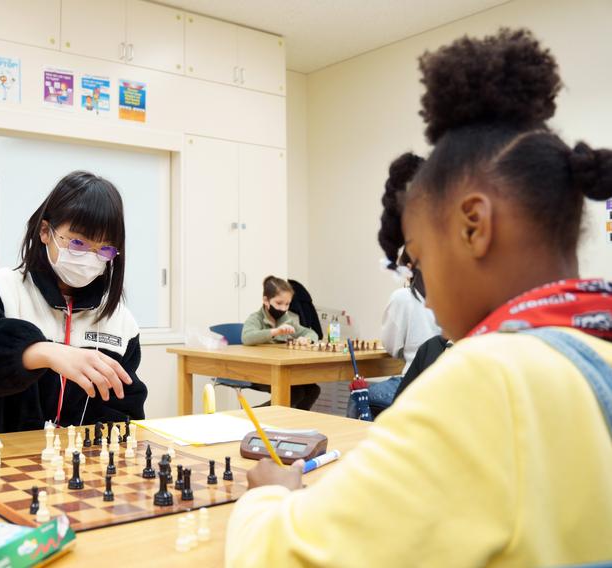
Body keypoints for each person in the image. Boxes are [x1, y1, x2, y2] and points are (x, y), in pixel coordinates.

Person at [226, 29, 612, 567]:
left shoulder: (488, 379)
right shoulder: (594, 344)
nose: (425, 295)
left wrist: (270, 495)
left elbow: (283, 557)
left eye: (418, 257)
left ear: (473, 226)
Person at [0, 171, 147, 434]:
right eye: (78, 242)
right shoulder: (0, 290)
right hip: (4, 458)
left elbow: (124, 410)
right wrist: (43, 352)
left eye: (103, 249)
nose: (90, 257)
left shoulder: (120, 321)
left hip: (79, 464)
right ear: (45, 231)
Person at [346, 156, 443, 419]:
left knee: (359, 395)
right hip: (438, 388)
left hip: (418, 386)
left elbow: (391, 347)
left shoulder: (405, 297)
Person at [241, 276, 320, 410]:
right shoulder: (256, 319)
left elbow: (311, 333)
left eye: (287, 304)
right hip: (258, 371)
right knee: (295, 392)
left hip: (280, 370)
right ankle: (253, 415)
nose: (283, 308)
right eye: (279, 303)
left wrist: (307, 339)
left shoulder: (286, 319)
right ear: (266, 300)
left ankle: (294, 422)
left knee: (312, 390)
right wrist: (274, 332)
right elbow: (247, 337)